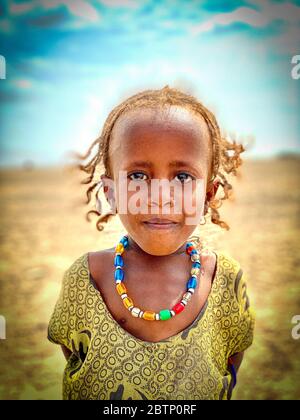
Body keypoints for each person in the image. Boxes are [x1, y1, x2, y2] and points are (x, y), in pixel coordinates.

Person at [47, 85, 255, 400]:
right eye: (138, 176)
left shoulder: (225, 280)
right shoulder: (85, 278)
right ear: (111, 192)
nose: (160, 197)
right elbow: (78, 362)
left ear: (208, 196)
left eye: (183, 177)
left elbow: (228, 363)